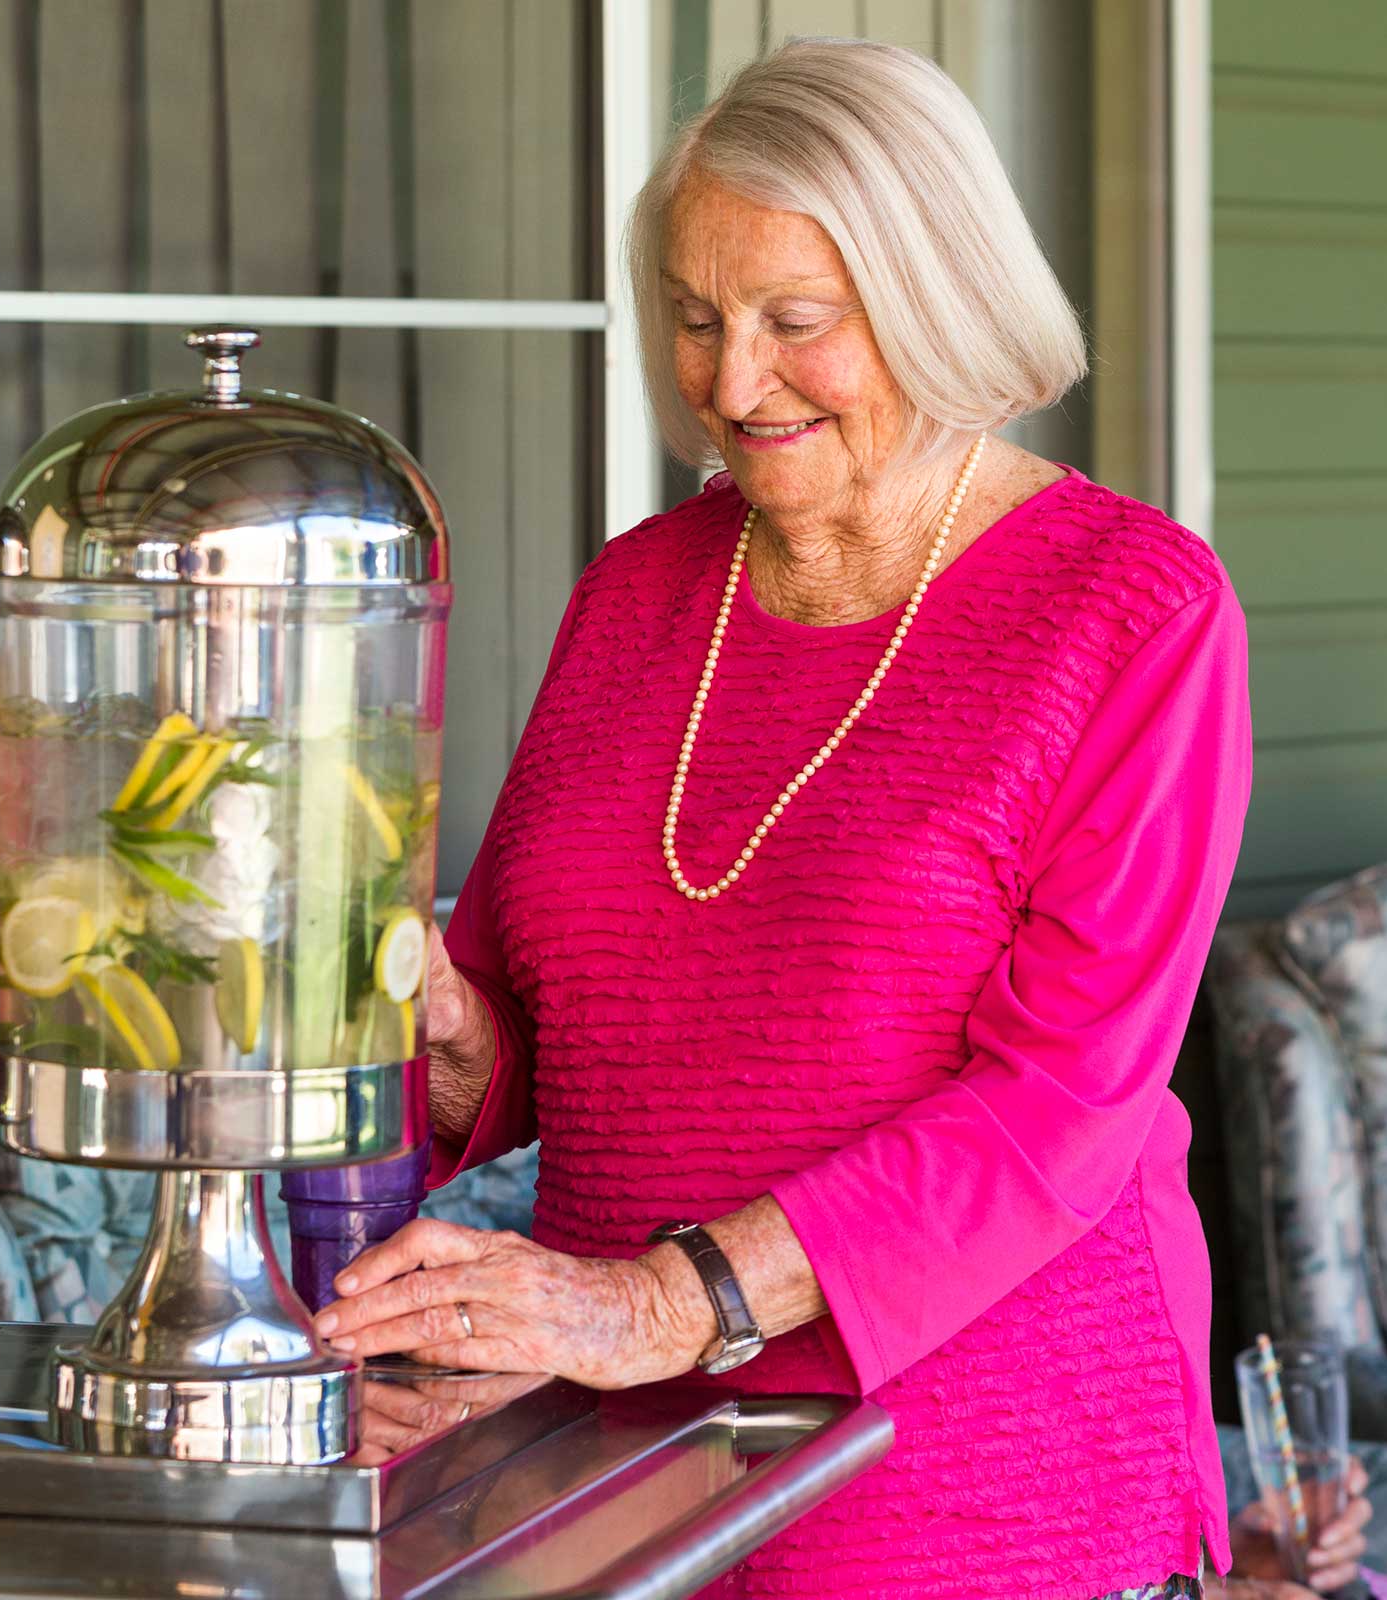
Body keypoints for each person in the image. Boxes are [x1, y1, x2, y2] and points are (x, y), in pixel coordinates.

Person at [313, 37, 1255, 1600]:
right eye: (694, 319)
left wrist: (656, 1306)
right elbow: (539, 1024)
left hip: (977, 1478)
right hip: (627, 1469)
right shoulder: (638, 593)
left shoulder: (1132, 610)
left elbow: (1058, 1113)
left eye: (793, 324)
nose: (732, 381)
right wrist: (428, 1013)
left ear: (938, 299)